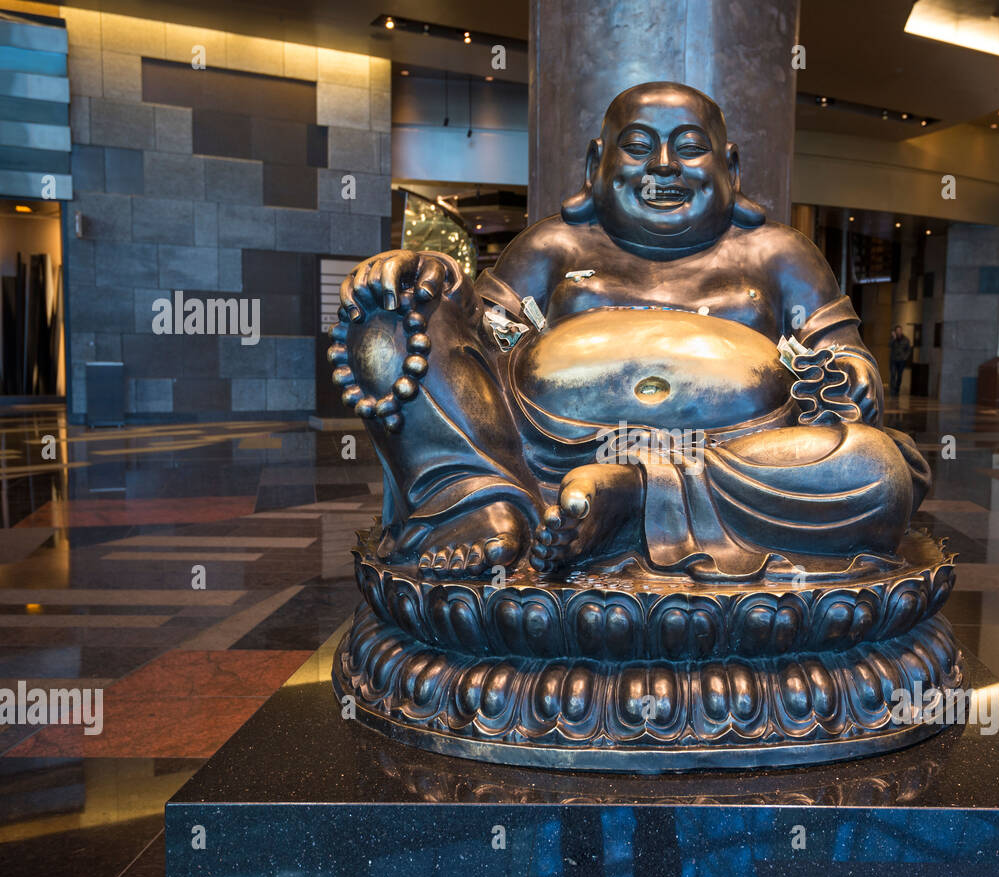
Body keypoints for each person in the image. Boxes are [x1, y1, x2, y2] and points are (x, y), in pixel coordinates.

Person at [334, 82, 930, 580]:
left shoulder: (779, 255)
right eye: (638, 147)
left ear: (732, 167)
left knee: (876, 470)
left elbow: (844, 356)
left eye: (690, 148)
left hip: (738, 457)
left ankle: (633, 498)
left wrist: (851, 376)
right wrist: (434, 284)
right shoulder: (553, 246)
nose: (664, 167)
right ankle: (480, 501)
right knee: (396, 320)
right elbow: (476, 343)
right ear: (598, 166)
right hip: (542, 457)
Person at [889, 325, 912, 398]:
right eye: (897, 331)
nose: (898, 332)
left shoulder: (906, 339)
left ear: (901, 331)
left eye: (900, 330)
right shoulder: (893, 339)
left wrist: (905, 357)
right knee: (893, 375)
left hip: (901, 361)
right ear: (895, 332)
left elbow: (909, 350)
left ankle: (897, 390)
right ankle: (892, 391)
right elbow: (889, 345)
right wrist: (894, 338)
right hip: (893, 360)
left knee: (899, 376)